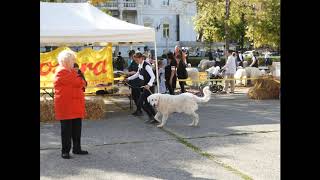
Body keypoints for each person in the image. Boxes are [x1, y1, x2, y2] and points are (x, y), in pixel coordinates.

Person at [54, 50, 88, 159]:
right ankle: (65, 151)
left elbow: (84, 83)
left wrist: (79, 78)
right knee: (66, 130)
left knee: (77, 129)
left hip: (75, 104)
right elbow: (79, 82)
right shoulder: (61, 71)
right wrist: (78, 77)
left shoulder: (71, 71)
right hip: (66, 105)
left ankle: (77, 148)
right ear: (67, 60)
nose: (74, 61)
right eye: (72, 59)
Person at [126, 52, 157, 124]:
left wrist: (149, 84)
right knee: (146, 103)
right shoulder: (140, 64)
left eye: (136, 60)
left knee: (142, 103)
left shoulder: (146, 66)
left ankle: (153, 117)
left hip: (149, 87)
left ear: (141, 58)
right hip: (144, 87)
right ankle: (155, 118)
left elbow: (153, 76)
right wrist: (129, 78)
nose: (136, 61)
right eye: (135, 60)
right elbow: (137, 74)